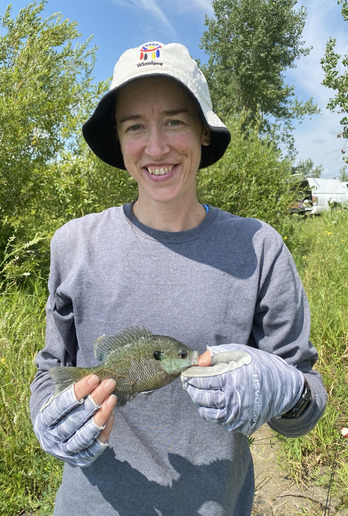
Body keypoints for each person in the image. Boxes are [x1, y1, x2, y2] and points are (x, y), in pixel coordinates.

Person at [30, 41, 327, 516]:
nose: (155, 146)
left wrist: (287, 391)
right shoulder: (73, 244)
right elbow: (51, 370)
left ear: (204, 132)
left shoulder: (260, 247)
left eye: (174, 121)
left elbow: (306, 403)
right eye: (134, 127)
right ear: (119, 140)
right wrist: (49, 420)